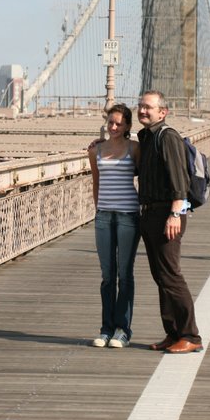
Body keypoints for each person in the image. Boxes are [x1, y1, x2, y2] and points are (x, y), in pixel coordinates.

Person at [136, 90, 203, 354]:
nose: (142, 110)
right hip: (150, 213)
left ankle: (191, 335)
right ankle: (173, 332)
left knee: (171, 276)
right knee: (160, 276)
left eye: (148, 107)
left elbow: (180, 181)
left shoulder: (168, 137)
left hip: (167, 214)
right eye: (140, 106)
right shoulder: (146, 138)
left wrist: (175, 213)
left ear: (162, 112)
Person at [87, 104, 141, 348]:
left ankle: (123, 330)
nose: (114, 127)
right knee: (107, 276)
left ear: (128, 126)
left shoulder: (134, 148)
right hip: (104, 217)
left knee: (125, 275)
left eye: (119, 123)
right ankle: (105, 329)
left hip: (128, 215)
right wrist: (99, 209)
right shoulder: (96, 150)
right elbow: (96, 183)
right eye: (111, 122)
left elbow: (145, 176)